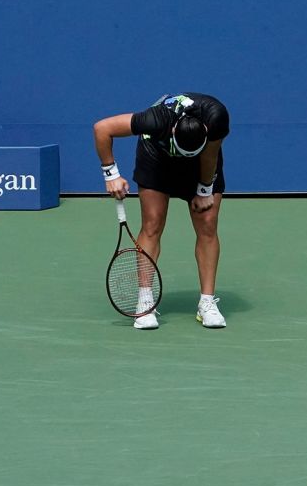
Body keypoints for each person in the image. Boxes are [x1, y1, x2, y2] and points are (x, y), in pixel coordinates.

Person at [93, 93, 230, 330]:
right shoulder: (156, 119)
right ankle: (145, 301)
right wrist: (111, 175)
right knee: (152, 224)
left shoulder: (216, 118)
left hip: (201, 165)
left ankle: (207, 302)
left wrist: (205, 189)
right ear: (173, 131)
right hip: (156, 158)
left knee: (207, 225)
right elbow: (102, 128)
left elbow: (210, 155)